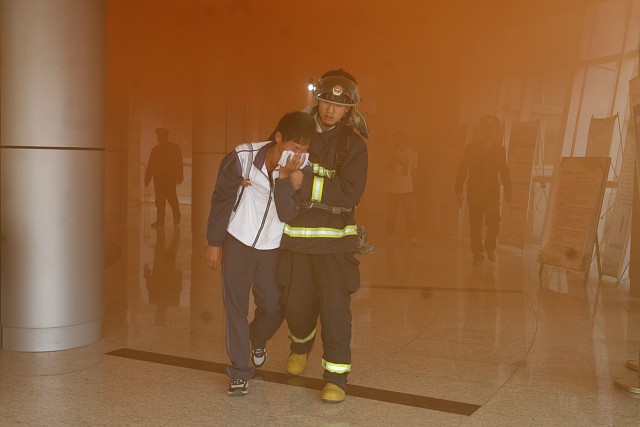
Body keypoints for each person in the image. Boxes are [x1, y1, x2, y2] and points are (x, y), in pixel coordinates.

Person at [205, 111, 316, 396]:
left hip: (273, 248)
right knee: (236, 308)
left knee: (274, 307)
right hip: (237, 241)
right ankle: (240, 372)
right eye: (295, 146)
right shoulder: (243, 157)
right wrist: (214, 242)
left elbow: (287, 213)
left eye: (304, 149)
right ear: (278, 137)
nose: (298, 154)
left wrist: (285, 178)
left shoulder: (303, 169)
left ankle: (256, 339)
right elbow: (221, 198)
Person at [278, 69, 368, 403]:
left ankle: (335, 378)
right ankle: (300, 346)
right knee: (295, 304)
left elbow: (349, 193)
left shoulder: (353, 146)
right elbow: (277, 166)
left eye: (339, 105)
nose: (331, 110)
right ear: (318, 100)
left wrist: (304, 183)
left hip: (334, 243)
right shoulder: (297, 132)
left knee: (335, 311)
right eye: (327, 102)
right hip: (295, 239)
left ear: (348, 110)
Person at [455, 115, 512, 265]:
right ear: (481, 131)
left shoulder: (499, 149)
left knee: (494, 222)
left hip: (492, 194)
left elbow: (504, 171)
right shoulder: (471, 148)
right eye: (486, 129)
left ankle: (490, 247)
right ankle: (477, 254)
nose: (489, 132)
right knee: (475, 225)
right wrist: (459, 189)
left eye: (491, 129)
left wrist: (508, 190)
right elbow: (463, 168)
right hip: (475, 193)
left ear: (495, 131)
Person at [144, 128, 184, 228]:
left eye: (160, 136)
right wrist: (147, 178)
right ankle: (160, 221)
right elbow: (151, 165)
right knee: (160, 201)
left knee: (172, 198)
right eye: (158, 136)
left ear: (165, 137)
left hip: (169, 179)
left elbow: (179, 163)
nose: (159, 138)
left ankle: (176, 217)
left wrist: (179, 176)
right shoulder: (156, 150)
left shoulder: (174, 148)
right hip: (159, 179)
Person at [386, 129, 418, 245]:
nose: (397, 143)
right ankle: (390, 235)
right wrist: (393, 159)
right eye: (395, 140)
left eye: (398, 140)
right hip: (393, 188)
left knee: (410, 214)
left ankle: (412, 236)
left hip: (408, 189)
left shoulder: (413, 154)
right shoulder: (393, 153)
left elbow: (414, 171)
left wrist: (415, 188)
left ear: (404, 140)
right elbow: (388, 168)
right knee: (391, 213)